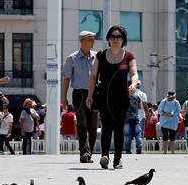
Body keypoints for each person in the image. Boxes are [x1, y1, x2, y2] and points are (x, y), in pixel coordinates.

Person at [87, 25, 139, 169]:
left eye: (118, 37)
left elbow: (134, 73)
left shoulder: (129, 56)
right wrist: (90, 95)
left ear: (123, 40)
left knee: (119, 127)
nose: (115, 39)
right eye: (113, 36)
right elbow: (93, 77)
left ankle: (117, 159)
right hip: (105, 97)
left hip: (122, 98)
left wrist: (134, 84)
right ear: (109, 39)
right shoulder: (101, 55)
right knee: (106, 127)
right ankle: (105, 156)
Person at [62, 31, 99, 163]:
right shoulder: (72, 58)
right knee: (82, 124)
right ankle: (84, 153)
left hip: (94, 94)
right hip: (78, 94)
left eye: (93, 40)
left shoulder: (97, 57)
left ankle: (90, 153)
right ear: (82, 41)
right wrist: (64, 97)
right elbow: (66, 78)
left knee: (93, 127)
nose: (92, 42)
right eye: (90, 40)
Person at [124, 83, 145, 154]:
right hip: (135, 117)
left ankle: (127, 149)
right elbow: (140, 107)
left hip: (126, 118)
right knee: (138, 134)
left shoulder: (125, 96)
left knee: (127, 135)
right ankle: (139, 149)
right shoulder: (137, 96)